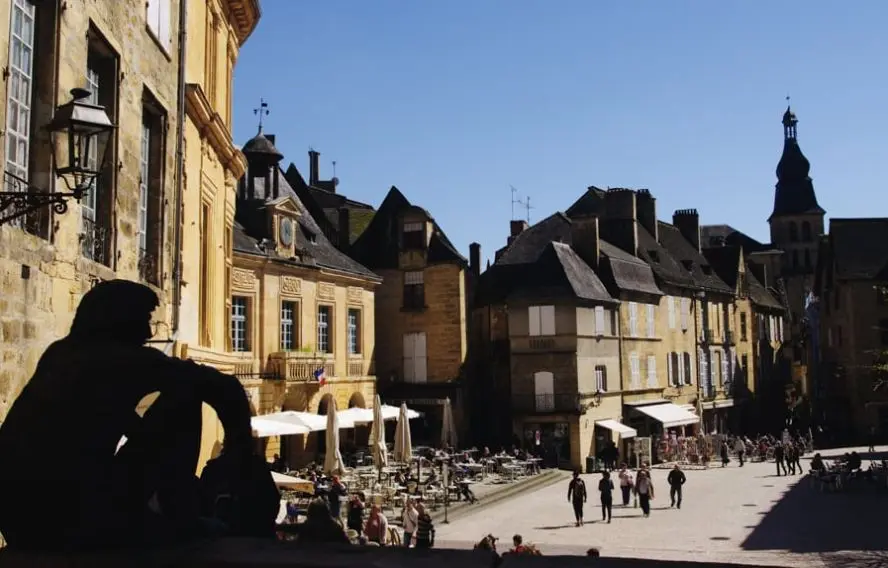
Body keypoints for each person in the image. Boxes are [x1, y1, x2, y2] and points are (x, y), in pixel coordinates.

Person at [0, 280, 267, 552]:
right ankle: (180, 517)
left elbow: (97, 422)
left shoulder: (60, 354)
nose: (149, 332)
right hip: (70, 519)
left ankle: (169, 516)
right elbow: (225, 387)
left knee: (181, 390)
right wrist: (238, 455)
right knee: (185, 392)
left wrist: (147, 438)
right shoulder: (119, 359)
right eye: (143, 319)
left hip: (18, 520)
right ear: (118, 320)